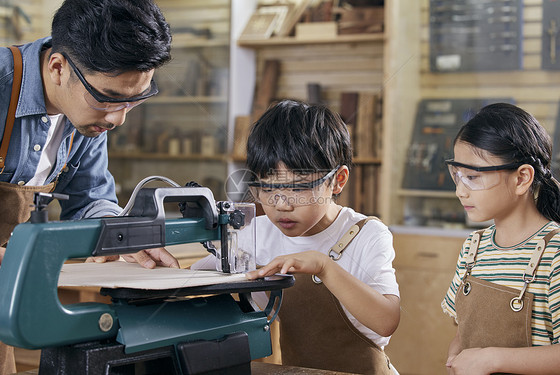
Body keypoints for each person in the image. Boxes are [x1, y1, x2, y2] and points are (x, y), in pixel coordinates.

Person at [0, 0, 180, 372]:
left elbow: (89, 200)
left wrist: (125, 237)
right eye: (109, 98)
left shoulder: (89, 117)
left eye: (134, 100)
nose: (118, 118)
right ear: (58, 68)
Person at [193, 99, 400, 374]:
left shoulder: (367, 234)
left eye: (298, 189)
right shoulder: (257, 233)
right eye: (266, 188)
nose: (281, 204)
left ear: (337, 180)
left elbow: (387, 320)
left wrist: (325, 267)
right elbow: (197, 277)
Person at [441, 103, 560, 375]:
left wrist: (490, 359)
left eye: (472, 177)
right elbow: (465, 329)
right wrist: (456, 352)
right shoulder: (474, 246)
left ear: (521, 178)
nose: (460, 191)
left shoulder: (556, 253)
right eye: (457, 176)